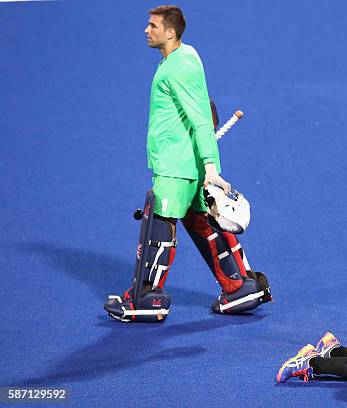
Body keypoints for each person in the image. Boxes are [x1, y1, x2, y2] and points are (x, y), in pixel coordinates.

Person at [104, 5, 270, 323]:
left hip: (175, 166)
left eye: (153, 25)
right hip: (186, 163)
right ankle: (238, 286)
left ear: (171, 31)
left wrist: (211, 168)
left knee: (159, 224)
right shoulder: (186, 56)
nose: (146, 30)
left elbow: (201, 120)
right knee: (201, 222)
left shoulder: (177, 67)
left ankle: (146, 297)